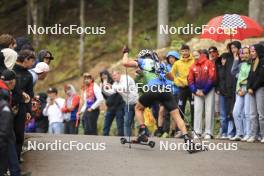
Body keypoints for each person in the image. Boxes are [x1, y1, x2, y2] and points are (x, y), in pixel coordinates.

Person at [122, 46, 199, 153]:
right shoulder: (161, 64)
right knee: (176, 115)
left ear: (143, 56)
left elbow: (125, 63)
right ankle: (187, 139)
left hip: (153, 90)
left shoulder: (143, 61)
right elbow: (171, 77)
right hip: (166, 91)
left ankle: (143, 130)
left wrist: (125, 52)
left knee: (138, 108)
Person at [12, 49, 35, 161]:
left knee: (19, 135)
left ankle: (16, 159)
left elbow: (30, 95)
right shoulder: (10, 70)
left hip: (21, 107)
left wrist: (28, 111)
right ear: (26, 59)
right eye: (32, 61)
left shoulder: (28, 75)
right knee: (8, 134)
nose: (33, 64)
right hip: (8, 105)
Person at [188, 50, 216, 139]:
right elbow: (190, 80)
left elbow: (212, 77)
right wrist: (195, 90)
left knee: (209, 110)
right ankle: (197, 131)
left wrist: (204, 91)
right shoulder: (192, 66)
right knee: (197, 110)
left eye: (196, 55)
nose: (195, 57)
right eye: (193, 55)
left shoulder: (209, 63)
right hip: (197, 91)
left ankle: (208, 132)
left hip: (208, 90)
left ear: (201, 55)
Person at [167, 44, 195, 133]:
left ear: (189, 51)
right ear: (181, 52)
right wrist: (177, 81)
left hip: (192, 88)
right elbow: (171, 75)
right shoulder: (177, 63)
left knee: (193, 108)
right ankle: (180, 130)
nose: (185, 53)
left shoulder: (194, 61)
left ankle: (194, 129)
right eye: (183, 51)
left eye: (186, 51)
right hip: (182, 89)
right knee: (180, 109)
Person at [104, 70, 138, 137]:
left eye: (115, 75)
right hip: (128, 104)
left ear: (119, 74)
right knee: (127, 121)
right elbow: (111, 92)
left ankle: (145, 135)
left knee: (139, 121)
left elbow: (124, 88)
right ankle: (127, 138)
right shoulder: (115, 83)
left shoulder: (126, 78)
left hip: (137, 102)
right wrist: (105, 88)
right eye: (112, 76)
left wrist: (112, 87)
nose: (114, 77)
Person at [154, 51, 180, 138]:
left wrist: (173, 83)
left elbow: (179, 79)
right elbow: (161, 78)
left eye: (173, 57)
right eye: (169, 58)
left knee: (174, 113)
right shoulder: (165, 67)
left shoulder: (178, 67)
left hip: (176, 92)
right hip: (166, 92)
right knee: (163, 111)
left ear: (176, 58)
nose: (171, 59)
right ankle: (163, 130)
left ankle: (173, 131)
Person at [0, 69, 20, 176]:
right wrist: (11, 113)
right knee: (11, 150)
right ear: (12, 81)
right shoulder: (4, 91)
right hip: (4, 128)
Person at [231, 46, 251, 141]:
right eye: (243, 53)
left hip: (248, 90)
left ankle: (248, 133)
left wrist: (245, 89)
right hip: (239, 90)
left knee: (246, 113)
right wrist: (236, 60)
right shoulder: (241, 64)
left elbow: (251, 78)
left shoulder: (253, 64)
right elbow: (233, 72)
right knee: (236, 112)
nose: (244, 54)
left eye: (247, 53)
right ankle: (240, 133)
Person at [216, 52, 236, 139]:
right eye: (222, 59)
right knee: (223, 115)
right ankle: (224, 132)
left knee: (230, 113)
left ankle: (231, 132)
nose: (223, 61)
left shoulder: (231, 69)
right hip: (222, 94)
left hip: (230, 94)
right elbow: (217, 80)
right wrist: (218, 89)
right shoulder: (220, 68)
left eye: (225, 59)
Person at [247, 44, 264, 143]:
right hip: (251, 90)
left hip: (259, 89)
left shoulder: (262, 61)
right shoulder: (253, 62)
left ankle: (263, 135)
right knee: (253, 114)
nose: (252, 53)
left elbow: (261, 77)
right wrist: (249, 87)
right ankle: (254, 135)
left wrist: (252, 88)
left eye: (253, 51)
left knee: (261, 114)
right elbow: (250, 76)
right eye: (251, 52)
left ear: (258, 51)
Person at [100, 70, 125, 136]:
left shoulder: (114, 82)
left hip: (118, 106)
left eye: (105, 74)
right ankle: (105, 137)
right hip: (110, 107)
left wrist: (108, 84)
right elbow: (106, 96)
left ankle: (121, 137)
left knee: (120, 124)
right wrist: (103, 88)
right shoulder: (102, 85)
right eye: (102, 75)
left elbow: (118, 89)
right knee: (106, 125)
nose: (103, 76)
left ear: (108, 75)